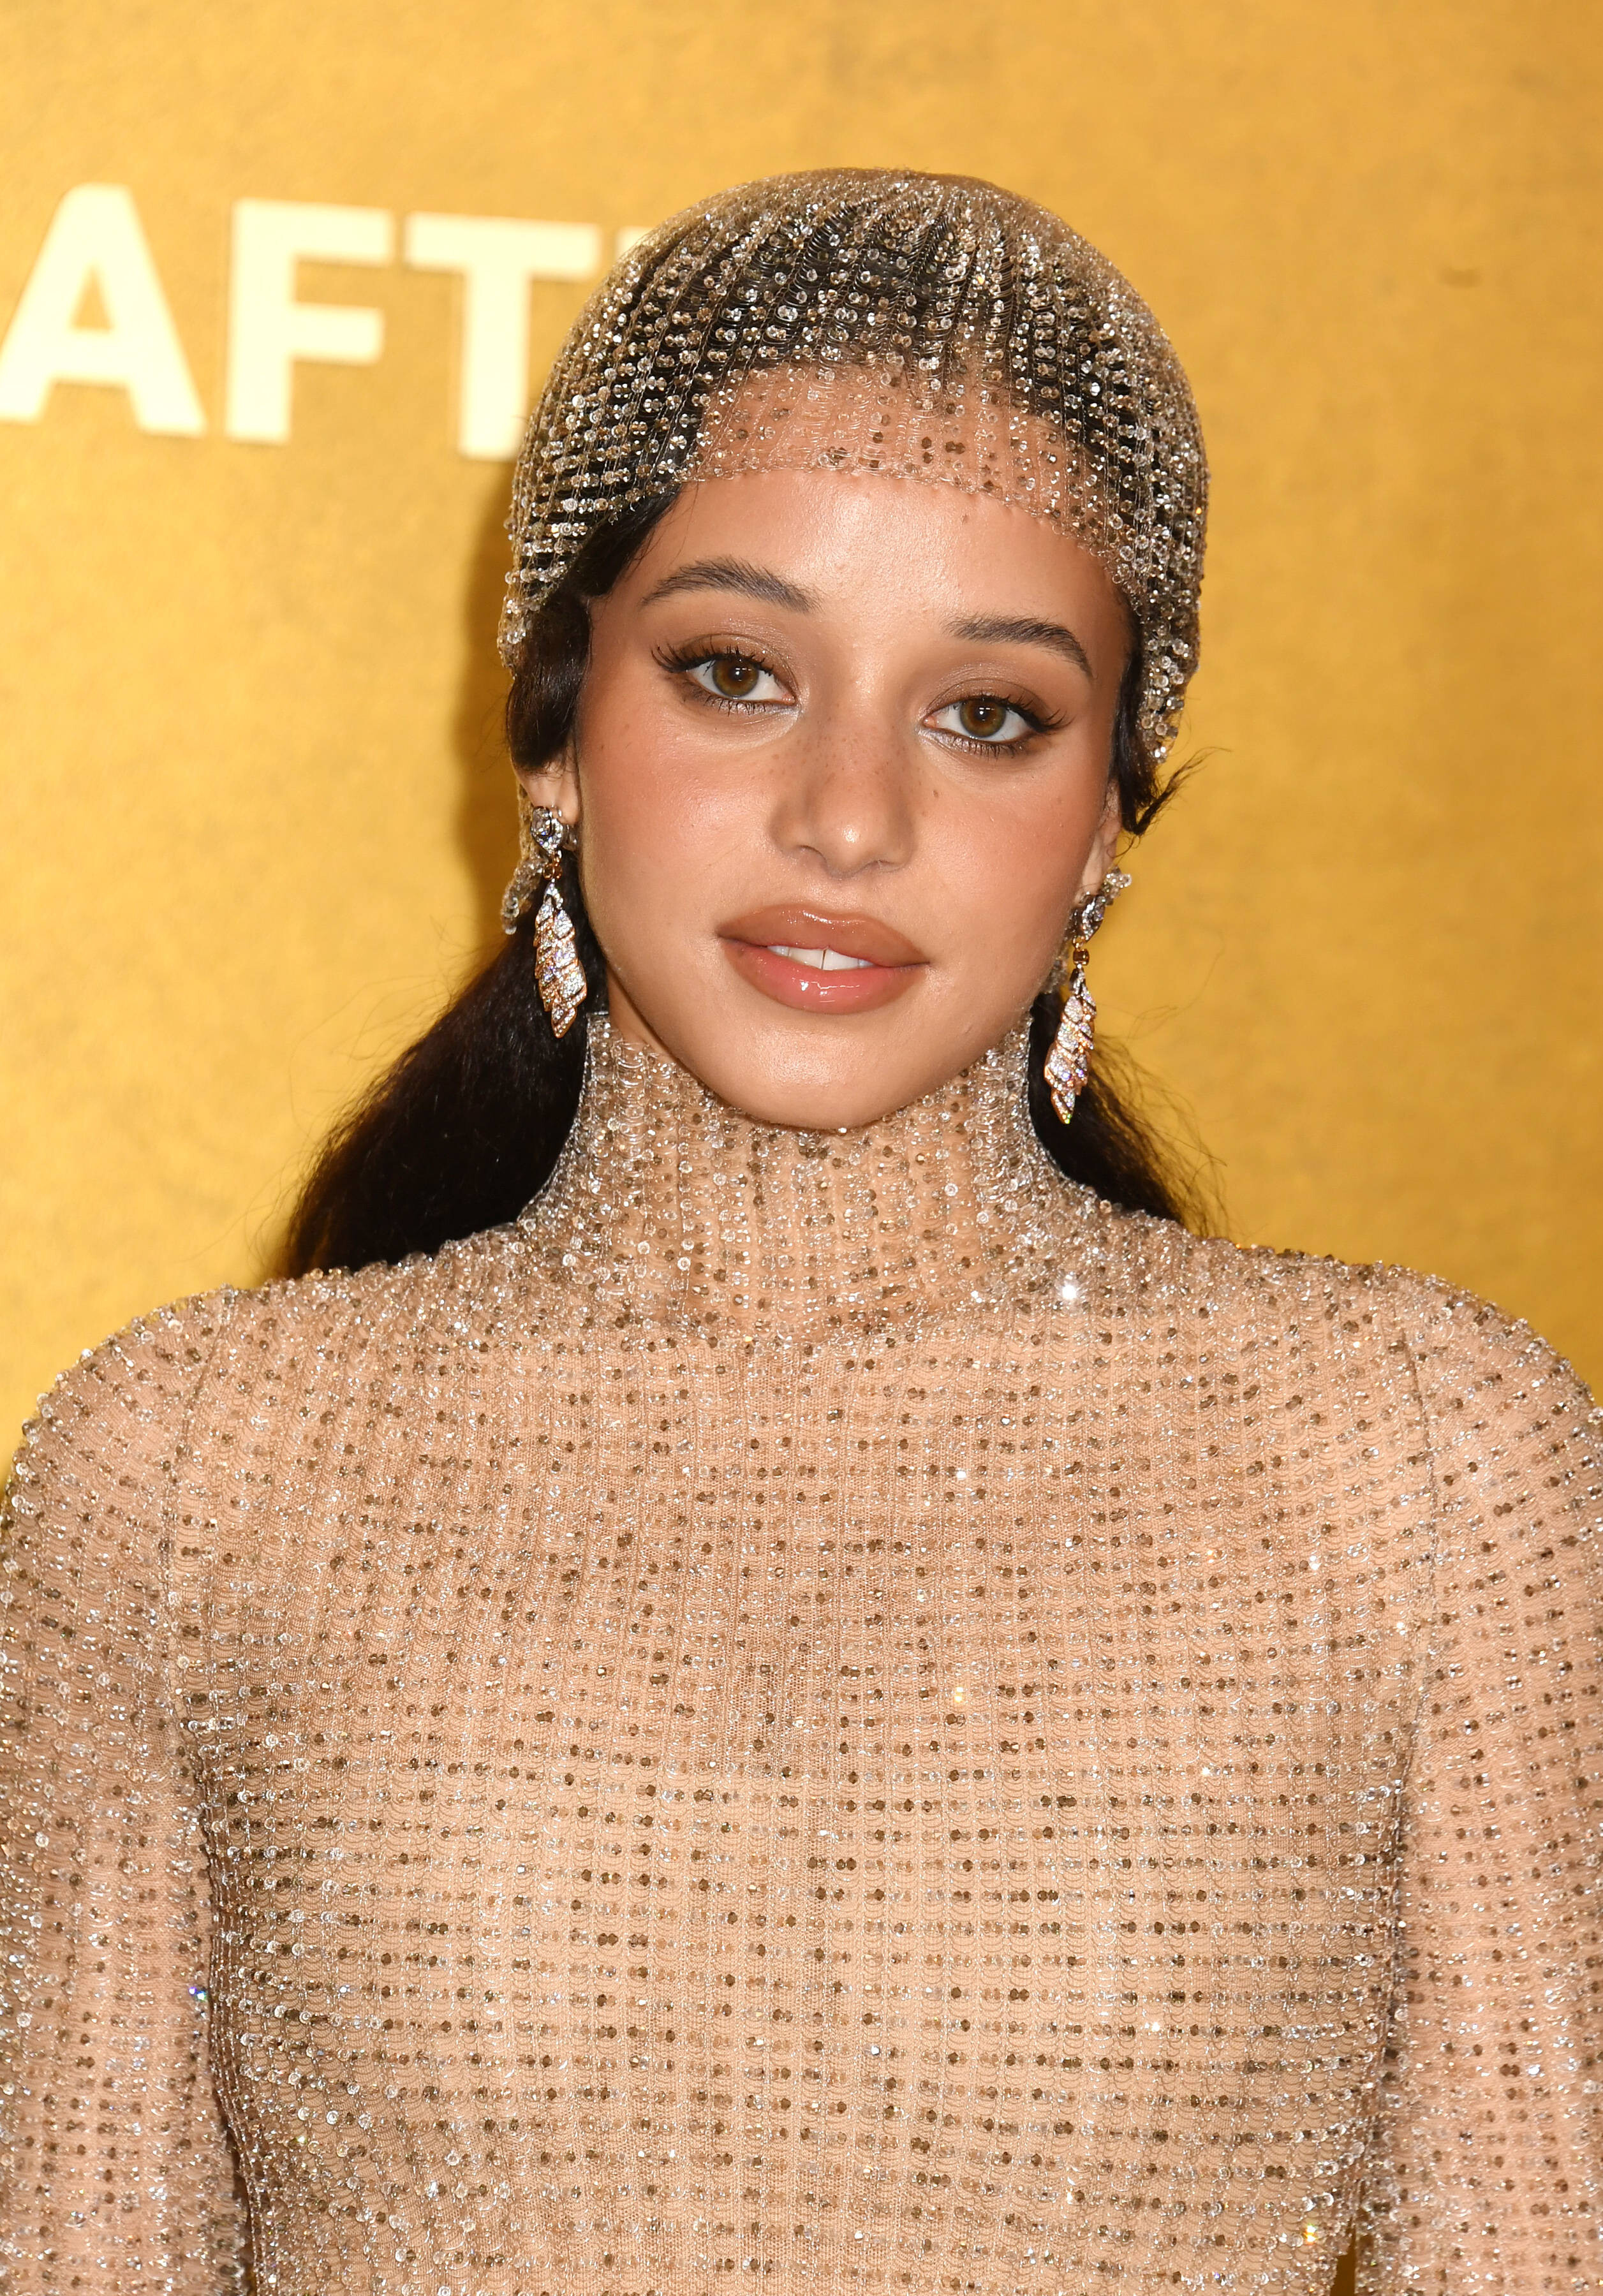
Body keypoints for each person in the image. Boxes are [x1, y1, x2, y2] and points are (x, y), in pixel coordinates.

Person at [1, 168, 1597, 2295]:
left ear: (1107, 817)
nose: (850, 819)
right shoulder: (192, 1471)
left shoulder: (1421, 1469)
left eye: (988, 714)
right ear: (554, 736)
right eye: (736, 672)